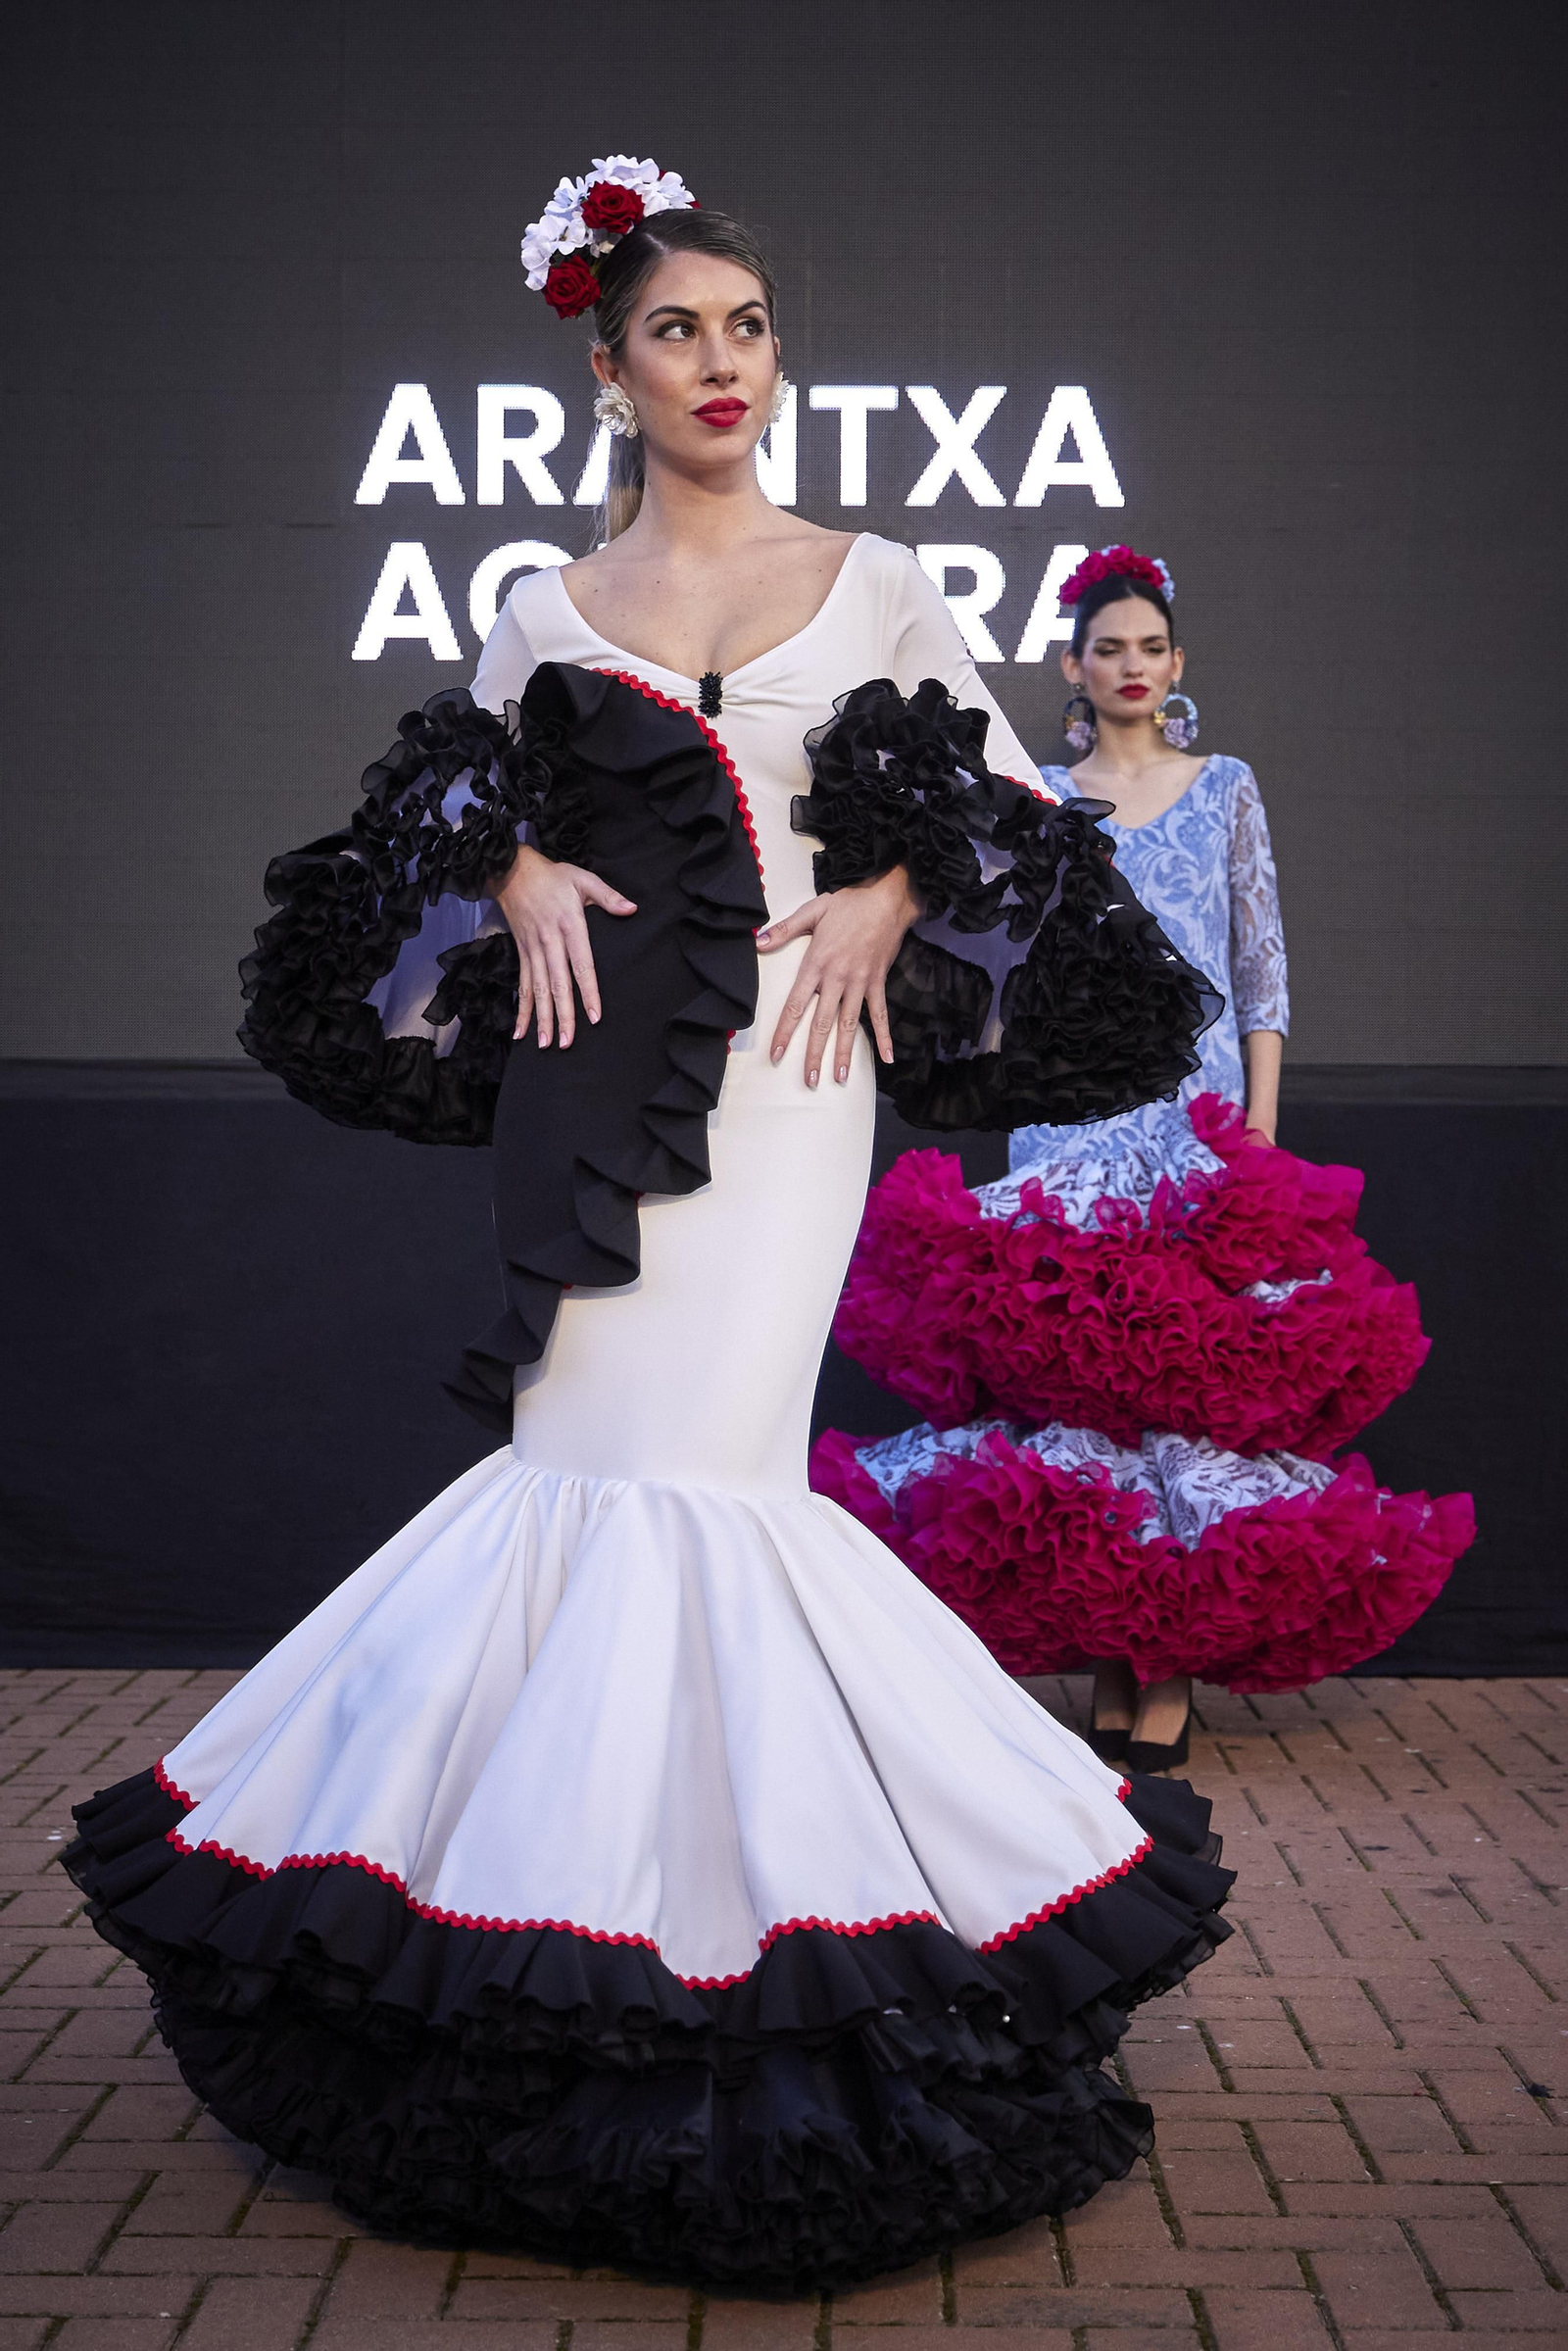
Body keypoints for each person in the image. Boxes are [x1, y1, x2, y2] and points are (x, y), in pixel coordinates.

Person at [64, 166, 1232, 2291]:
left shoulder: (874, 575)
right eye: (678, 330)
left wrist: (886, 892)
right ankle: (553, 1949)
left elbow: (1009, 806)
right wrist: (508, 863)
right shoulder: (540, 602)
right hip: (587, 1093)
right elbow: (446, 800)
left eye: (748, 326)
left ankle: (755, 1950)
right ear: (606, 370)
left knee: (714, 1492)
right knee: (577, 1472)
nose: (721, 362)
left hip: (794, 1081)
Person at [814, 546, 1474, 1768]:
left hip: (1201, 1125)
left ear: (1177, 664)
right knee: (1078, 1389)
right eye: (1107, 648)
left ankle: (1165, 1662)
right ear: (1071, 666)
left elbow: (1260, 965)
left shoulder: (1225, 787)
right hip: (1069, 1117)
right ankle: (1116, 1652)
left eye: (1149, 648)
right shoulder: (1037, 797)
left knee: (1186, 1390)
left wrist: (1257, 1125)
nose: (1130, 666)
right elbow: (1002, 963)